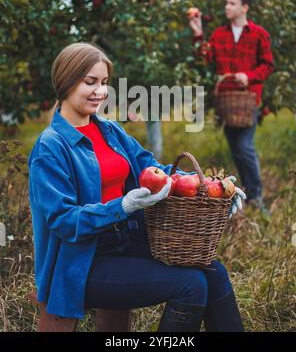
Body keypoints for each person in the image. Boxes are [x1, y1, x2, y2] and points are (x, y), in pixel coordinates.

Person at [28, 42, 246, 332]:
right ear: (66, 81)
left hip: (127, 242)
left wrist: (212, 187)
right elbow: (64, 221)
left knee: (214, 272)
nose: (100, 91)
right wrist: (123, 206)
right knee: (190, 285)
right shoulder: (51, 146)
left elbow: (153, 167)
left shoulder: (108, 130)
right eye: (89, 82)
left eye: (104, 83)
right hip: (82, 261)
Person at [189, 0, 275, 213]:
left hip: (248, 101)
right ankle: (244, 194)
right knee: (236, 150)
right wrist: (198, 32)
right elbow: (204, 59)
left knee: (245, 147)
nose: (227, 6)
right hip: (226, 102)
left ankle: (257, 197)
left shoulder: (259, 34)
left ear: (244, 7)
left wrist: (250, 76)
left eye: (232, 3)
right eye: (226, 3)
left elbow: (268, 65)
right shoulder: (219, 34)